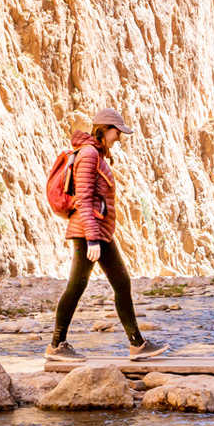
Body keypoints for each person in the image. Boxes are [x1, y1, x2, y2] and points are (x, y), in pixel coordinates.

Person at [48, 108, 166, 361]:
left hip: (98, 231)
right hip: (88, 231)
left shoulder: (97, 154)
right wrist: (92, 238)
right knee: (77, 286)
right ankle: (57, 345)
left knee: (121, 282)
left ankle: (137, 344)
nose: (119, 137)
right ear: (103, 129)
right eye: (116, 132)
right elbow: (84, 198)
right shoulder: (90, 155)